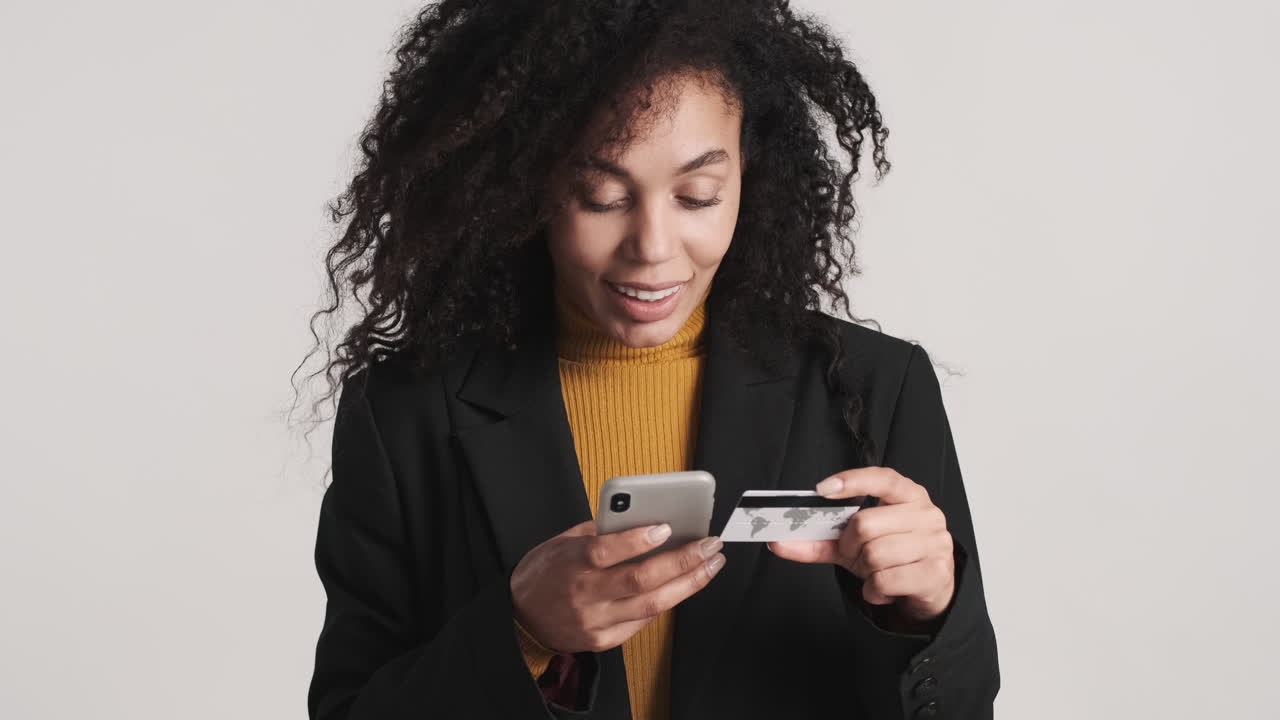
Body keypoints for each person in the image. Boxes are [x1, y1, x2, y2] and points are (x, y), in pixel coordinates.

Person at [300, 1, 1000, 718]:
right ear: (525, 185)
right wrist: (522, 632)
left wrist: (928, 613)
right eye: (601, 196)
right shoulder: (405, 415)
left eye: (698, 196)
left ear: (749, 179)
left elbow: (964, 706)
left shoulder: (873, 388)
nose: (653, 247)